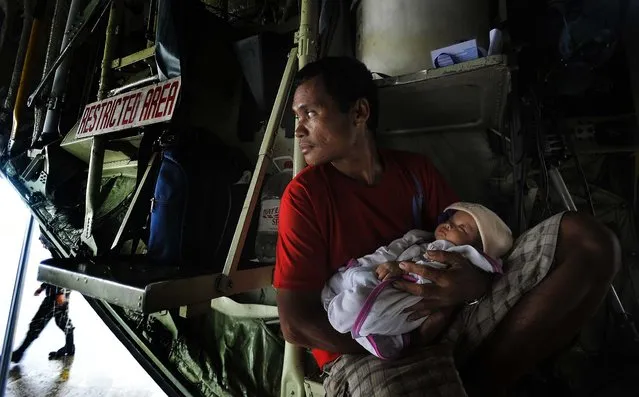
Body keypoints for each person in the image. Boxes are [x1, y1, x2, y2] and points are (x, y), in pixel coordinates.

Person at [274, 56, 620, 396]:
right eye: (297, 117)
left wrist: (475, 284)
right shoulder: (304, 196)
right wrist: (395, 345)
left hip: (449, 316)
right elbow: (296, 323)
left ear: (360, 113)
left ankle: (484, 383)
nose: (299, 129)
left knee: (587, 241)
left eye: (310, 114)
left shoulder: (416, 172)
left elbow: (466, 245)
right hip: (364, 349)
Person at [321, 202, 513, 360]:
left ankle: (359, 321)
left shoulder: (453, 254)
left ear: (477, 248)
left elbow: (429, 275)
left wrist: (400, 267)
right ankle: (361, 318)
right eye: (451, 220)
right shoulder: (420, 240)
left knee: (360, 301)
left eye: (461, 228)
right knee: (354, 280)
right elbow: (388, 252)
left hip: (404, 295)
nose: (449, 225)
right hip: (380, 284)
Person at [11, 283, 75, 363]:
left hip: (56, 294)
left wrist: (60, 292)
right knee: (61, 321)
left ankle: (19, 353)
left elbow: (62, 273)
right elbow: (53, 273)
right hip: (57, 292)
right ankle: (69, 348)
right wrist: (43, 287)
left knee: (38, 323)